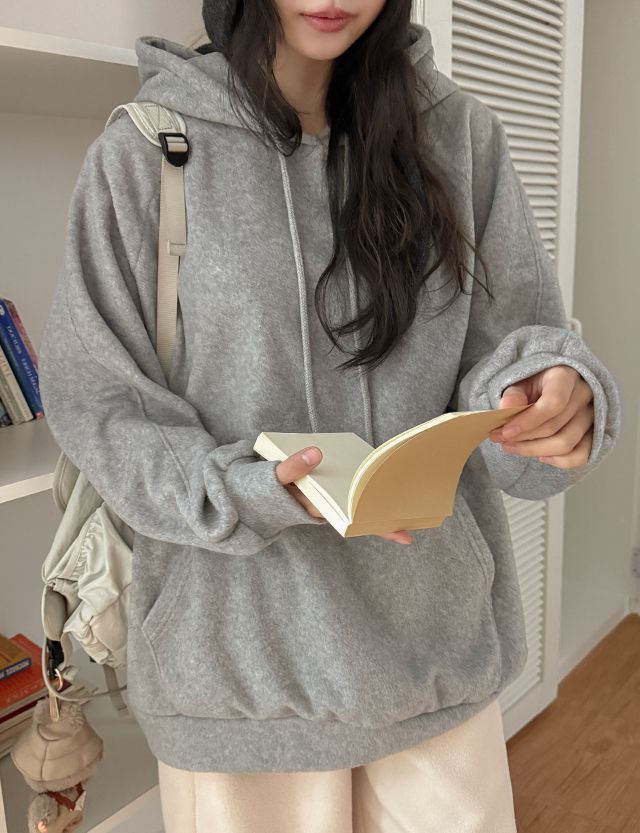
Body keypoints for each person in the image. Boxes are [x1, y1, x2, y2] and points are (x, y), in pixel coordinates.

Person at [37, 0, 621, 829]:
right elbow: (100, 397)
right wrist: (244, 488)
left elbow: (518, 344)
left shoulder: (459, 136)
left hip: (433, 664)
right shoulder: (147, 152)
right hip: (238, 684)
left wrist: (551, 397)